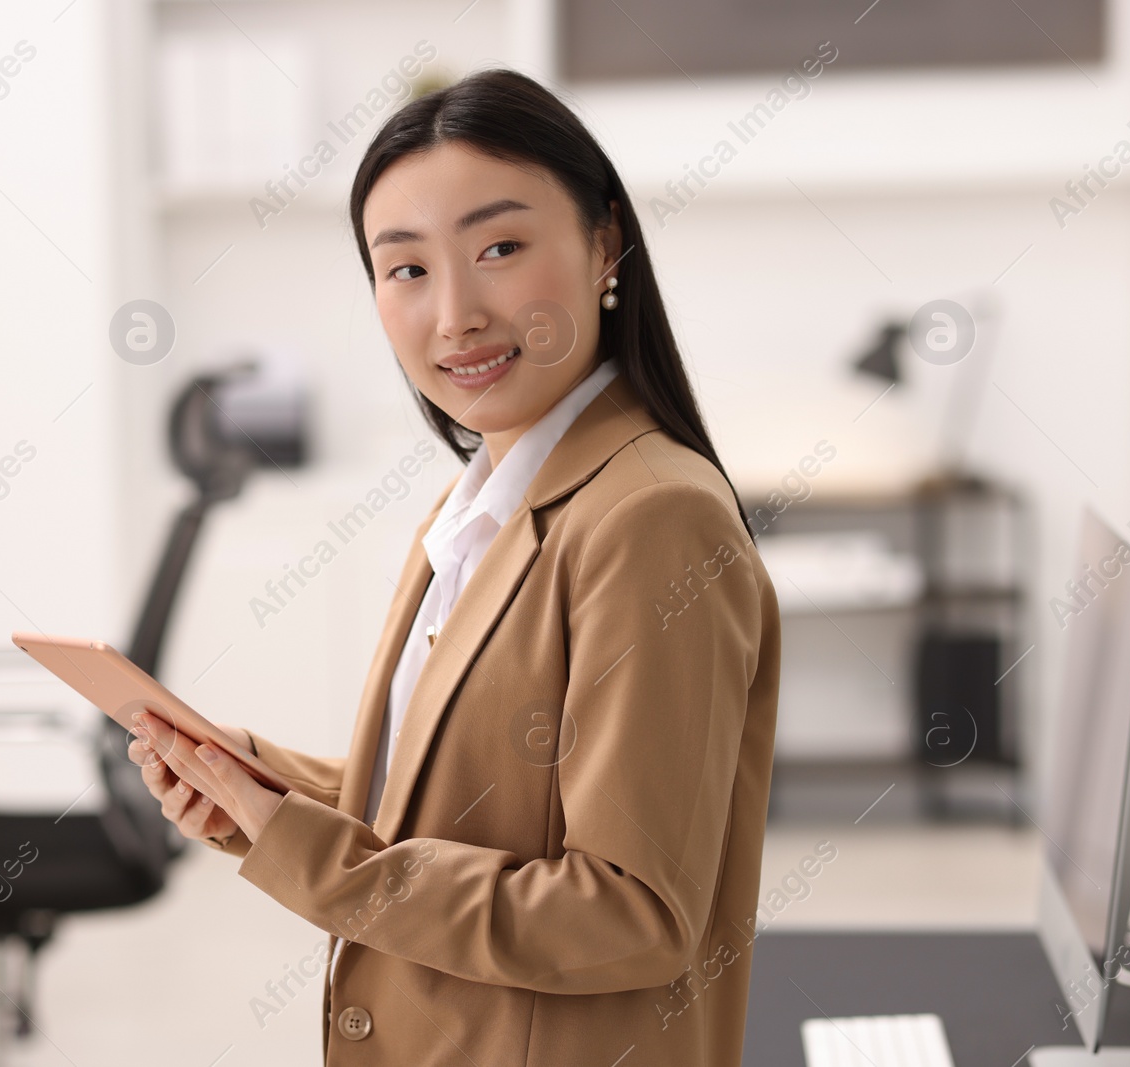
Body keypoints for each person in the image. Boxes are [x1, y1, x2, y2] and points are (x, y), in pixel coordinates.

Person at [128, 67, 780, 1066]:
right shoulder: (482, 496)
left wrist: (314, 857)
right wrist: (255, 786)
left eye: (500, 249)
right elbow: (458, 800)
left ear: (605, 243)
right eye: (406, 269)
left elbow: (630, 911)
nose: (455, 315)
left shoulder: (652, 521)